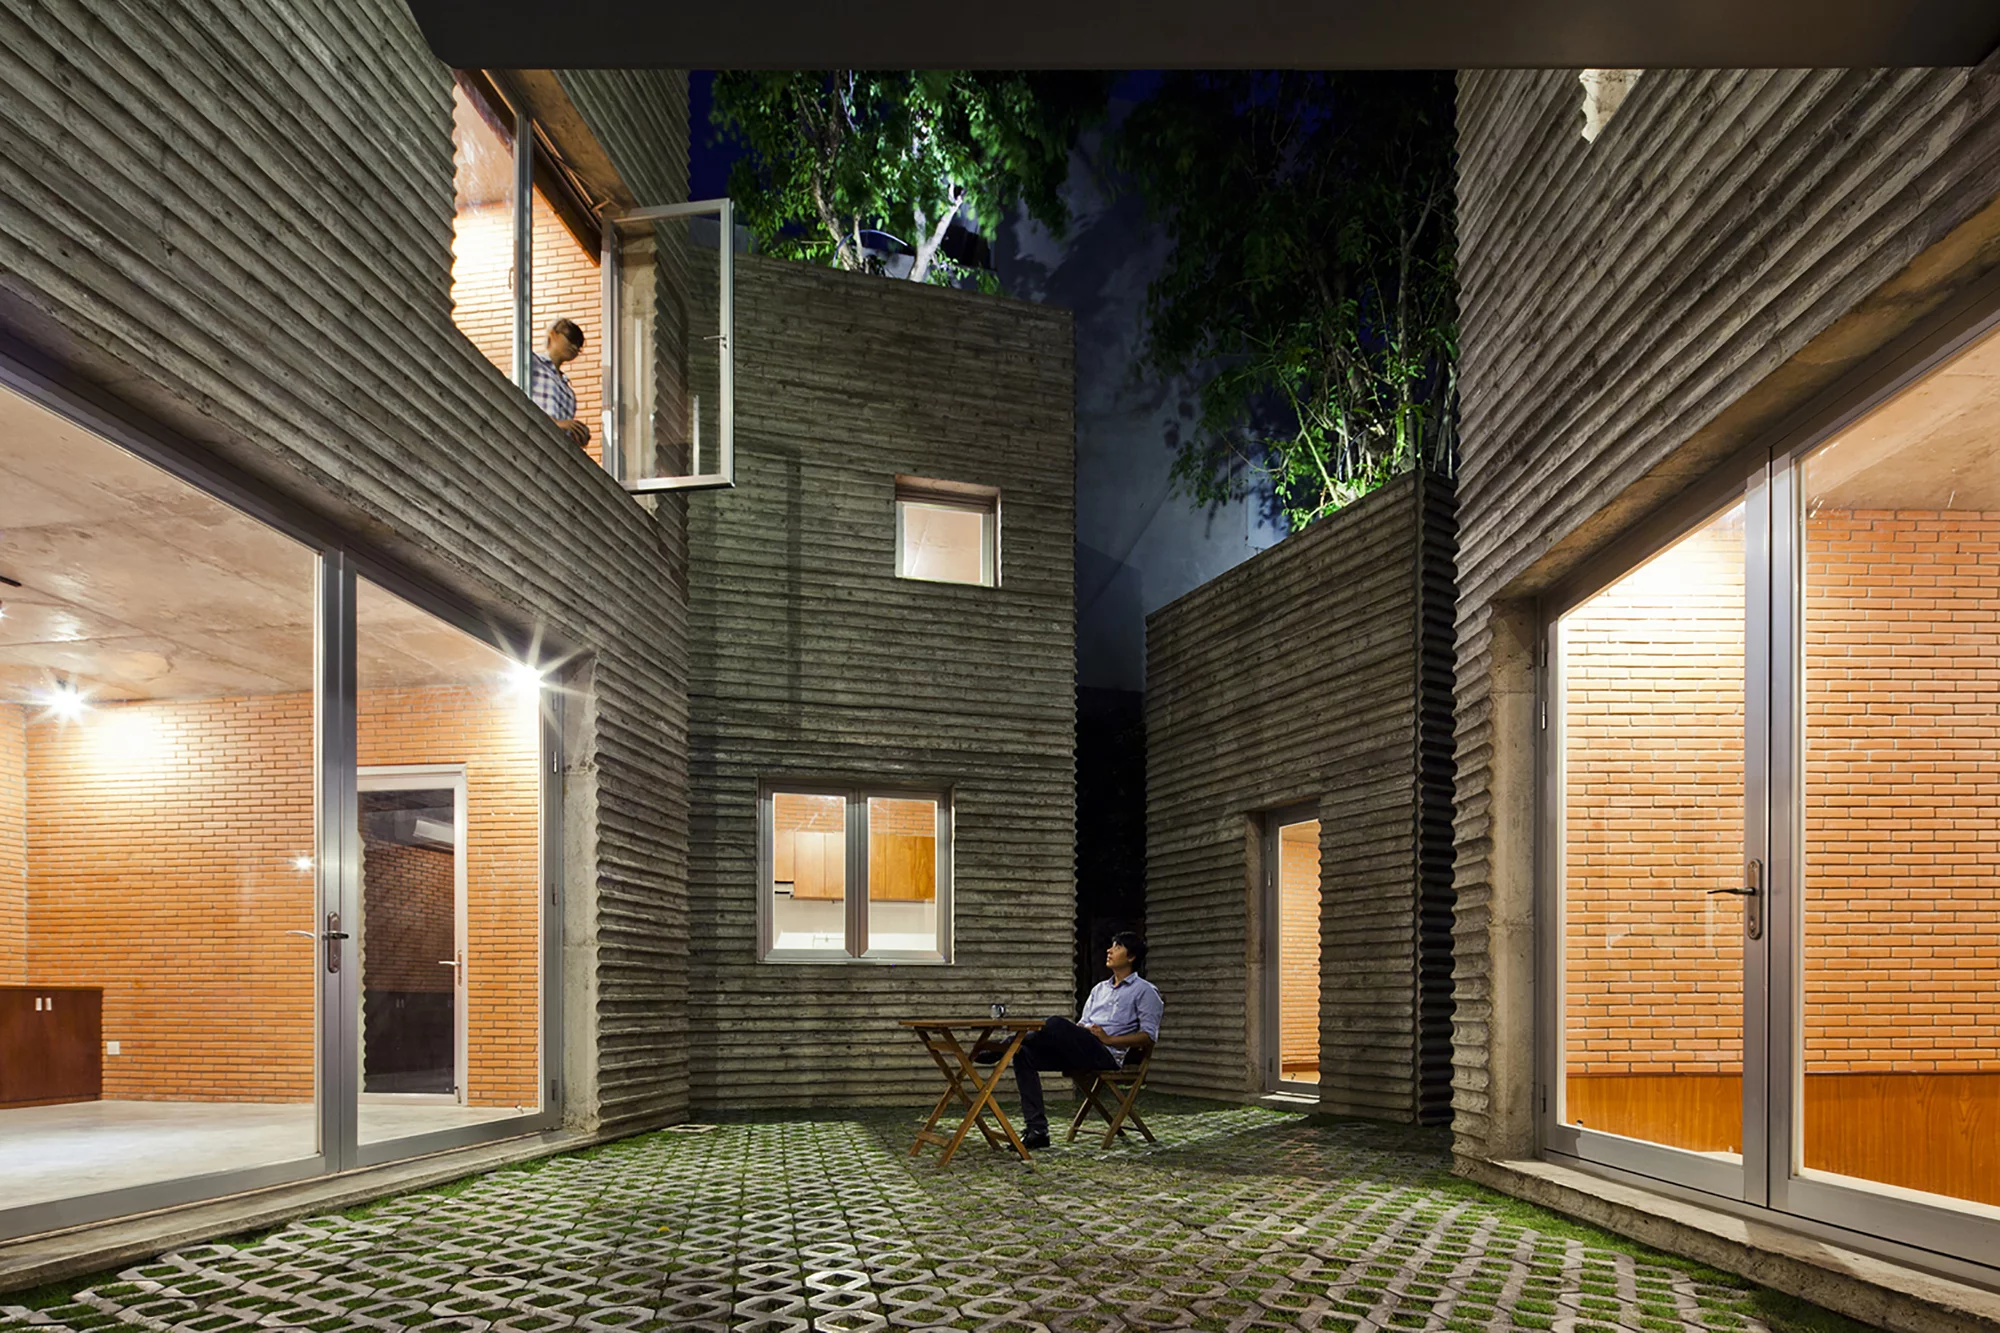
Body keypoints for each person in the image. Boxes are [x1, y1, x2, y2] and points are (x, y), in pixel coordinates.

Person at [997, 931, 1162, 1150]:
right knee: (1023, 1054)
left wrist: (1109, 1039)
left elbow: (1148, 1037)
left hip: (1107, 1054)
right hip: (1082, 1048)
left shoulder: (1145, 991)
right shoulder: (1099, 989)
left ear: (1131, 957)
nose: (1109, 950)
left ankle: (1005, 1044)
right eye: (1111, 945)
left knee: (1054, 1023)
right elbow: (1082, 1024)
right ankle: (1038, 1131)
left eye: (1117, 947)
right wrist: (1080, 1032)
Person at [528, 317, 591, 450]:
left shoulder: (569, 392)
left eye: (579, 346)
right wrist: (556, 424)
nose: (574, 347)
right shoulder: (532, 362)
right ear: (553, 334)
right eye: (570, 338)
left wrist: (577, 435)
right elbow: (516, 398)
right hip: (532, 442)